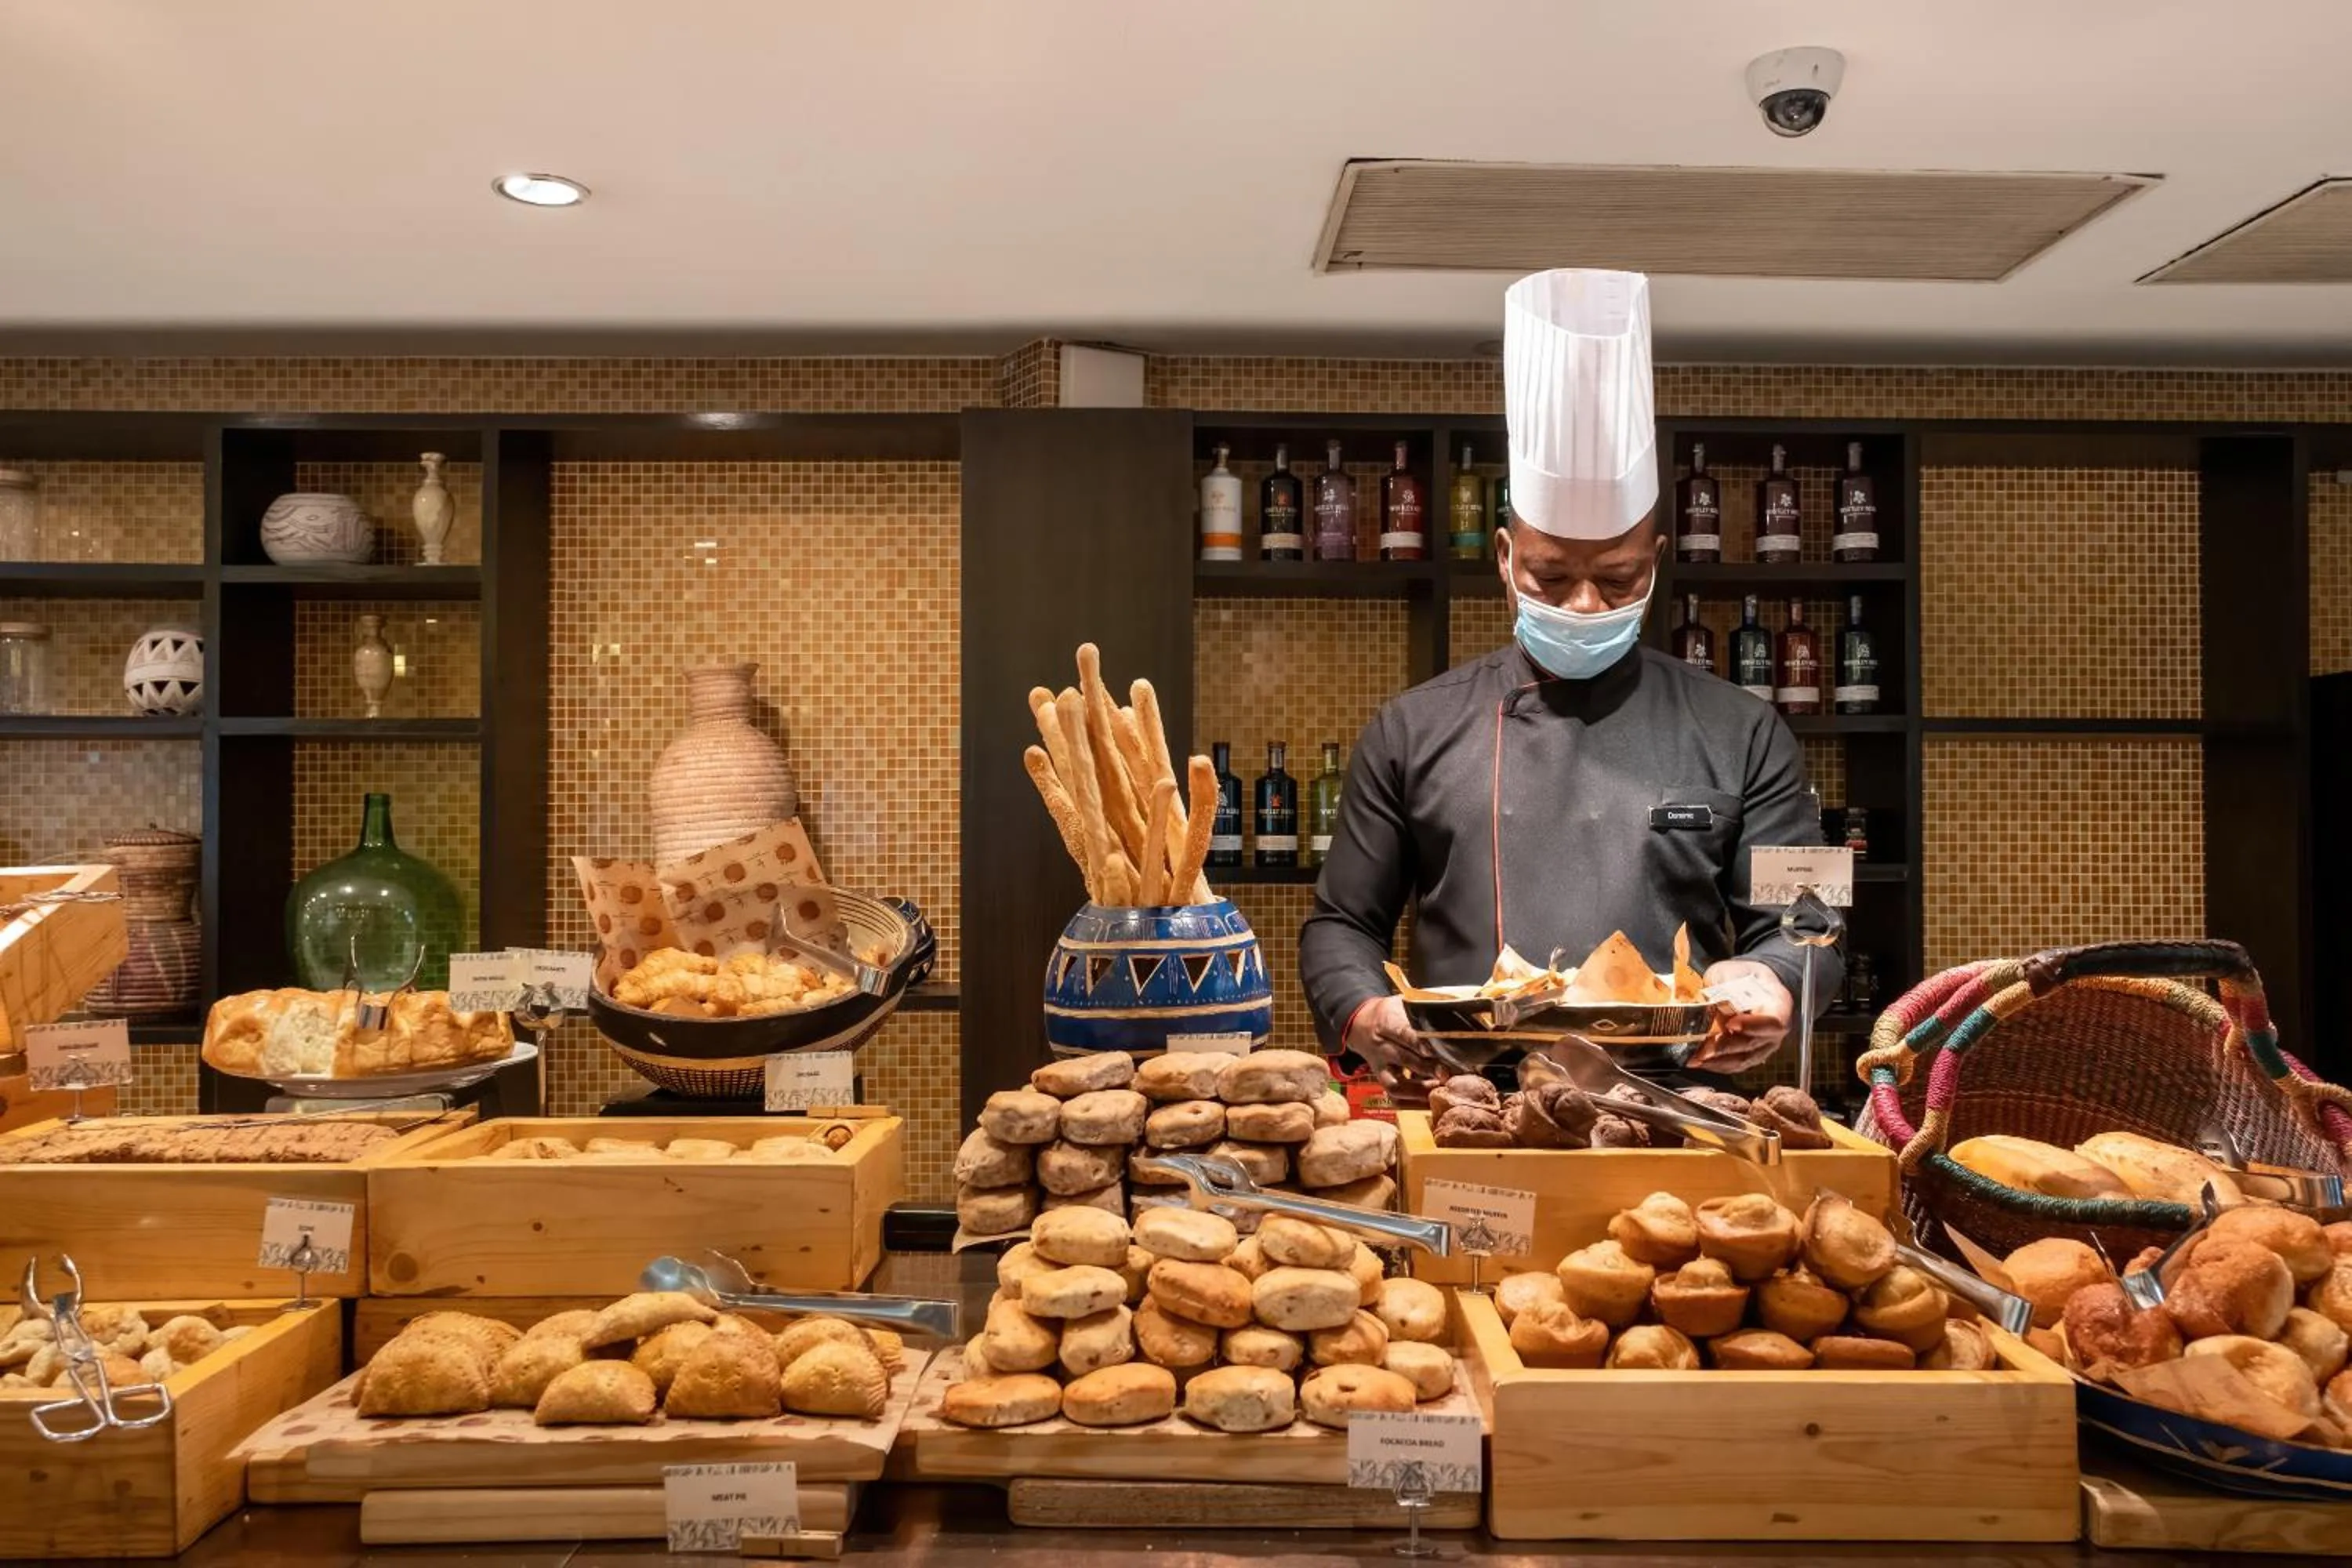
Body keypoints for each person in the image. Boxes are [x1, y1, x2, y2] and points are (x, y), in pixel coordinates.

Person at [1298, 267, 1838, 1088]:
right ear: (1507, 560)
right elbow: (1341, 922)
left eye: (1617, 578)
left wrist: (1778, 980)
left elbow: (1811, 922)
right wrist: (1367, 1010)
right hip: (1470, 1108)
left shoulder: (1745, 728)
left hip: (1681, 1107)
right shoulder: (1414, 727)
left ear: (1657, 564)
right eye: (1553, 577)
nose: (1586, 603)